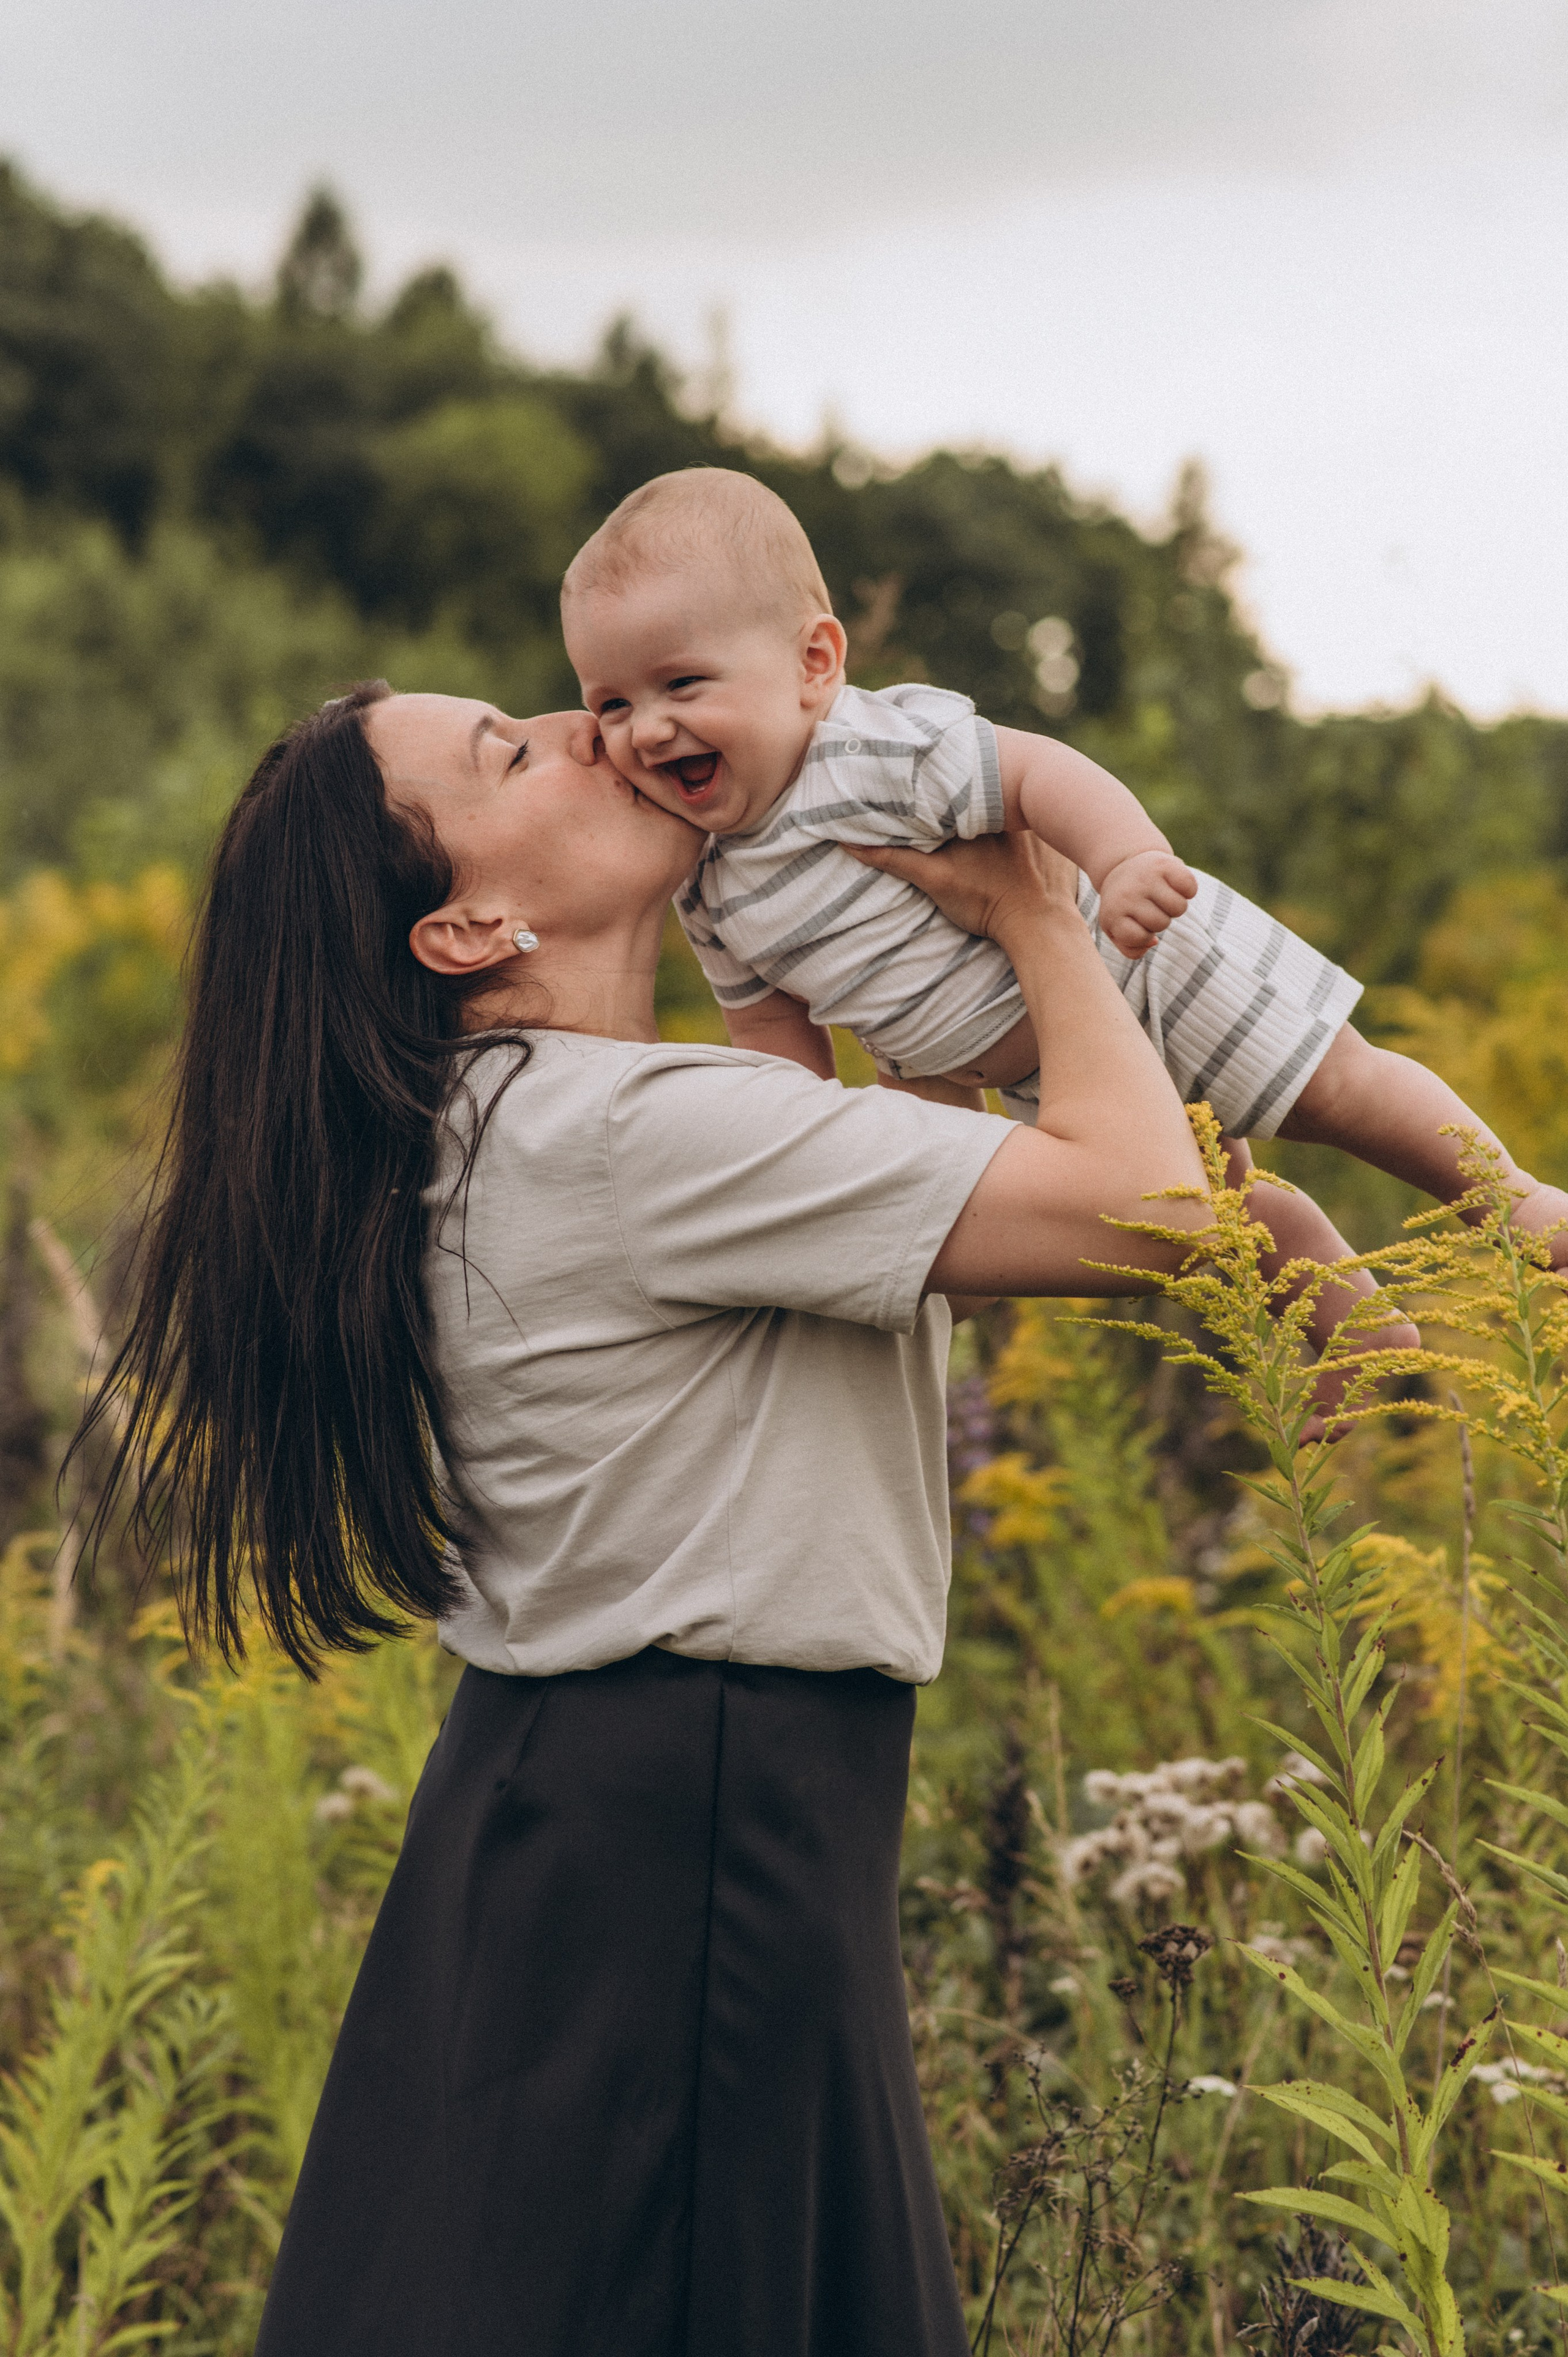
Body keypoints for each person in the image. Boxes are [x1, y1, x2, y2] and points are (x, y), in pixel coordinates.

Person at [83, 679, 1207, 2357]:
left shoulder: (536, 1125)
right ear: (470, 928)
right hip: (699, 1826)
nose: (576, 725)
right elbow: (1153, 1211)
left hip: (583, 1808)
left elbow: (950, 1194)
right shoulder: (630, 1134)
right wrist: (1033, 903)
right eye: (507, 754)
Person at [561, 468, 1568, 1364]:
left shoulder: (870, 752)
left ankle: (1510, 1199)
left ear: (816, 663)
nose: (648, 728)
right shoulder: (706, 880)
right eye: (609, 705)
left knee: (1339, 1087)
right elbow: (773, 1034)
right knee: (1197, 1215)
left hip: (1136, 960)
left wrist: (1129, 861)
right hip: (1058, 1068)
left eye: (683, 684)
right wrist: (824, 1143)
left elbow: (1037, 771)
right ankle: (1355, 1326)